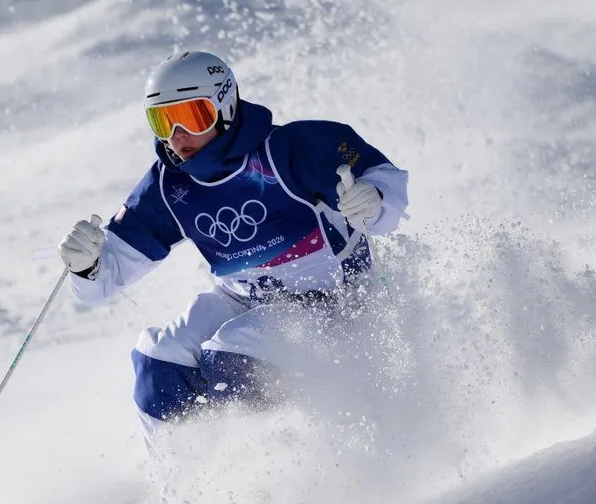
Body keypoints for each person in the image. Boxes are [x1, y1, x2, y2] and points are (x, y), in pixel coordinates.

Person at [58, 50, 409, 452]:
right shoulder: (169, 186)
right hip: (245, 298)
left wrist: (375, 200)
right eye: (162, 121)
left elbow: (385, 190)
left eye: (191, 116)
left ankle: (280, 480)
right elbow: (104, 280)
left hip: (336, 304)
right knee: (161, 362)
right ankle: (192, 494)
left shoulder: (291, 148)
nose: (177, 136)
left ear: (224, 106)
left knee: (235, 353)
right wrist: (86, 267)